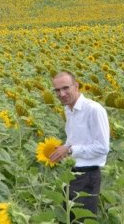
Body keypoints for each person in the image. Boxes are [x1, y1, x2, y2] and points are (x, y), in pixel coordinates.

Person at [48, 70, 110, 222]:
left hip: (87, 176)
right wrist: (62, 150)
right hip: (70, 173)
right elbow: (76, 140)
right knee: (67, 218)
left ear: (76, 86)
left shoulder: (93, 110)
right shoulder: (69, 109)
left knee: (83, 220)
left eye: (65, 88)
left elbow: (103, 147)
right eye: (57, 90)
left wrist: (69, 150)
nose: (61, 94)